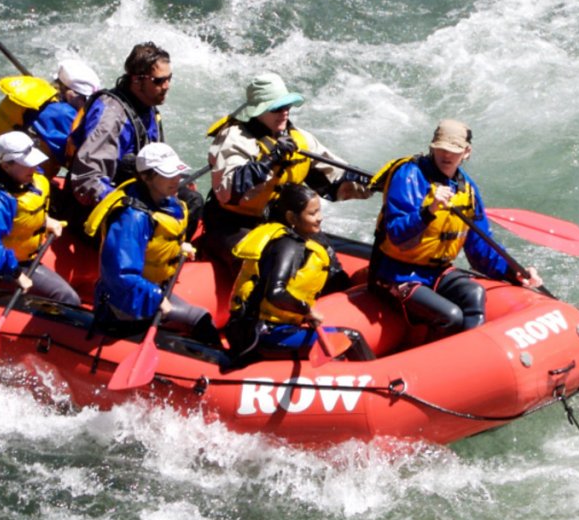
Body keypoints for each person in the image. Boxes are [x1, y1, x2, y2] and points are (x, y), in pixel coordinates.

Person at [368, 119, 542, 334]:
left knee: (474, 294)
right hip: (394, 274)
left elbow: (480, 248)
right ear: (432, 147)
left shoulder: (467, 189)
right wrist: (428, 211)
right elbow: (397, 234)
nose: (447, 155)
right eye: (441, 149)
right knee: (450, 315)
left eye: (454, 150)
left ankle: (473, 351)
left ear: (466, 152)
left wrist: (513, 271)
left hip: (435, 272)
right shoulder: (409, 176)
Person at [198, 72, 370, 271]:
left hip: (279, 221)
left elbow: (336, 178)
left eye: (287, 106)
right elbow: (229, 191)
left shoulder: (299, 139)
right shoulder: (234, 138)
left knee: (326, 262)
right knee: (266, 267)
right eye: (277, 108)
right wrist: (270, 160)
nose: (285, 113)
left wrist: (373, 184)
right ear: (257, 111)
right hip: (233, 226)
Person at [83, 143, 219, 344]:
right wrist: (156, 297)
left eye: (176, 173)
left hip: (150, 290)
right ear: (146, 177)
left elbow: (153, 243)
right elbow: (121, 274)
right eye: (167, 174)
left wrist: (178, 247)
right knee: (200, 322)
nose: (176, 179)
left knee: (201, 320)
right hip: (125, 303)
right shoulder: (132, 218)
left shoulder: (163, 202)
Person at [63, 42, 202, 233]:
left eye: (169, 79)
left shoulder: (148, 107)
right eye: (158, 81)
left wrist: (173, 178)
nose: (166, 86)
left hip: (138, 187)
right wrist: (131, 207)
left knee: (193, 201)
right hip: (97, 209)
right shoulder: (111, 117)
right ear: (137, 80)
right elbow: (87, 179)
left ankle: (170, 246)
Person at [0, 132, 80, 305]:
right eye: (27, 164)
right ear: (6, 165)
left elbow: (21, 214)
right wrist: (17, 274)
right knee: (68, 298)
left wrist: (45, 220)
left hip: (17, 258)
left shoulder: (21, 178)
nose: (34, 167)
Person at [225, 183, 353, 362]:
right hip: (261, 331)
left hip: (266, 326)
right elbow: (275, 293)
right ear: (291, 217)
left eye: (319, 211)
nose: (320, 218)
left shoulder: (291, 240)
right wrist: (307, 310)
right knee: (351, 337)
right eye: (312, 213)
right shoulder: (287, 245)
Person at [0, 58, 102, 179]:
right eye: (87, 101)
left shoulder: (34, 93)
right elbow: (80, 158)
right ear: (71, 95)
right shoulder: (63, 114)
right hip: (0, 178)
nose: (90, 107)